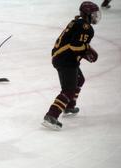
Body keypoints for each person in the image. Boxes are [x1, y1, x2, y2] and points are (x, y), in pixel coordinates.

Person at [42, 1, 101, 131]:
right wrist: (87, 48)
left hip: (64, 57)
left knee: (80, 79)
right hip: (66, 60)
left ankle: (69, 105)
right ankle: (51, 115)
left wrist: (85, 49)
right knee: (69, 89)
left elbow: (74, 43)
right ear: (87, 14)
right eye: (94, 14)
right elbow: (75, 46)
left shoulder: (78, 22)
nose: (96, 17)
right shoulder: (85, 27)